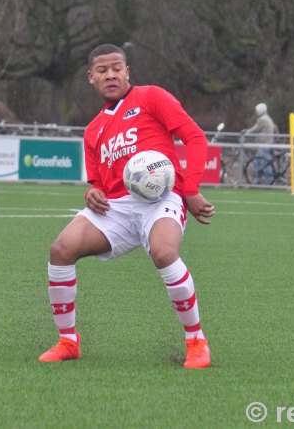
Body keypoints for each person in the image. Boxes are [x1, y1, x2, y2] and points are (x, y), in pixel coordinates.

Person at [38, 44, 215, 369]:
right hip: (116, 208)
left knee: (164, 252)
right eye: (103, 70)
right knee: (61, 249)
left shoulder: (151, 97)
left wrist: (190, 190)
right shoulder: (93, 130)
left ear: (127, 72)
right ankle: (68, 342)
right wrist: (92, 192)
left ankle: (196, 340)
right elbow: (97, 183)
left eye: (117, 68)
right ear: (91, 78)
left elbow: (195, 138)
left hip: (162, 199)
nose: (111, 75)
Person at [246, 102, 278, 184]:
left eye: (256, 110)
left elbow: (255, 129)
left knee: (265, 163)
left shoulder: (262, 119)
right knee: (257, 161)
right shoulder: (268, 118)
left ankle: (269, 181)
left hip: (264, 144)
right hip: (267, 143)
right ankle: (257, 179)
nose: (256, 112)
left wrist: (246, 133)